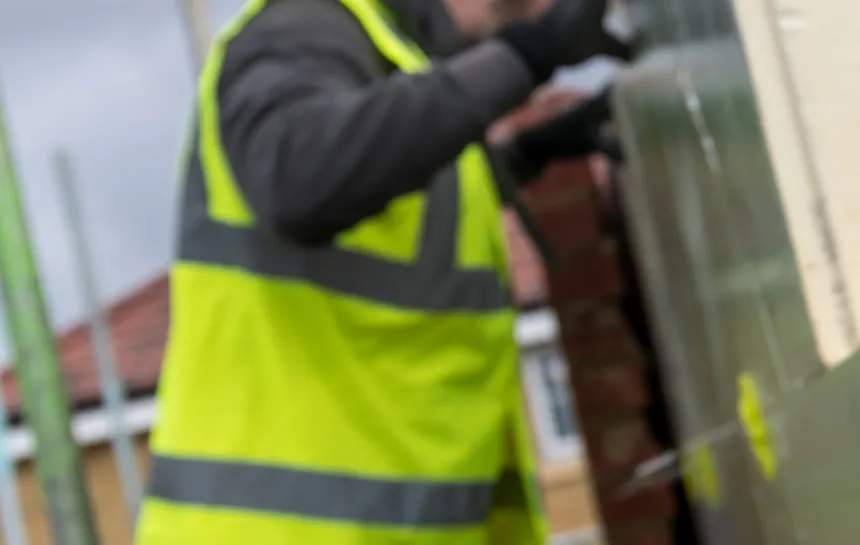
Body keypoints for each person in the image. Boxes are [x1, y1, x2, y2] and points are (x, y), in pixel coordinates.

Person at [134, 0, 633, 542]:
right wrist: (522, 58)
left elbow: (399, 217)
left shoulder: (391, 62)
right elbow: (303, 177)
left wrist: (527, 155)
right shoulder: (303, 26)